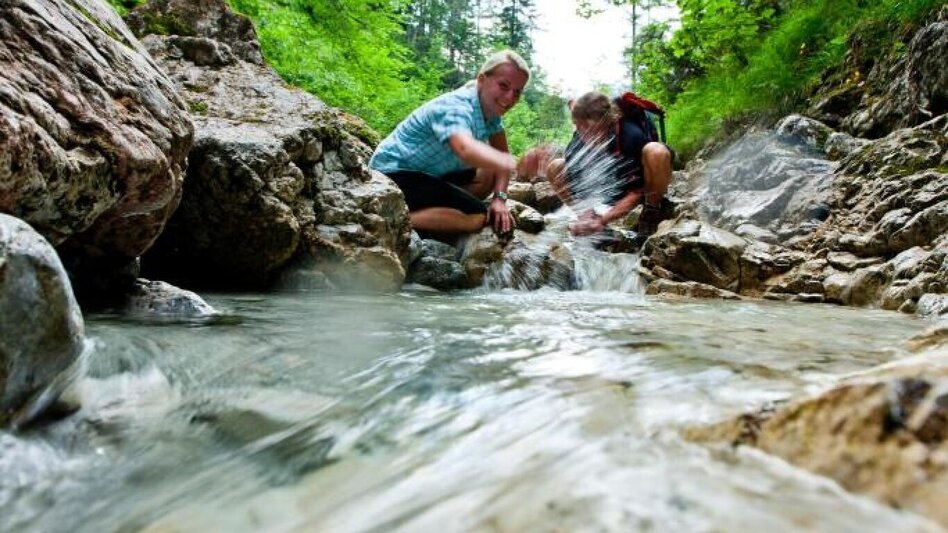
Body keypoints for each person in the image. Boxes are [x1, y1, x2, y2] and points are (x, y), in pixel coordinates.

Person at [369, 50, 531, 238]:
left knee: (489, 172)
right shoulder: (455, 107)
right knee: (477, 216)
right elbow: (465, 149)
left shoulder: (490, 110)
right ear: (481, 79)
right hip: (391, 175)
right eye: (503, 86)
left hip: (428, 175)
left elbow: (501, 158)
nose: (510, 97)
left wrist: (500, 199)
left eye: (517, 92)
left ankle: (438, 214)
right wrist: (516, 163)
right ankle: (393, 220)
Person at [523, 91, 673, 238]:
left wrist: (603, 220)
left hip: (640, 187)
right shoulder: (577, 145)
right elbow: (577, 187)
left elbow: (637, 192)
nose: (582, 133)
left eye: (587, 127)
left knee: (657, 152)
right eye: (578, 126)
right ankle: (586, 216)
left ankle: (652, 210)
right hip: (610, 189)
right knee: (555, 167)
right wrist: (588, 218)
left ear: (605, 123)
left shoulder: (630, 136)